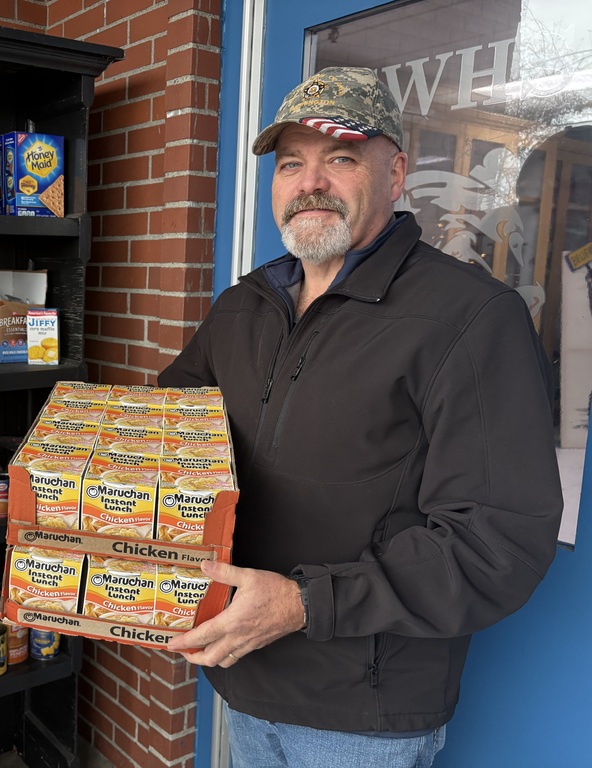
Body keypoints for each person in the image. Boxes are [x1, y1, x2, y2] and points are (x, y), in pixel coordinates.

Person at [161, 67, 562, 768]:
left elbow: (498, 540)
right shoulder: (243, 306)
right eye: (291, 163)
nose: (310, 182)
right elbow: (169, 434)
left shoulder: (468, 318)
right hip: (240, 674)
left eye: (340, 158)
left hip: (362, 713)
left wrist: (304, 604)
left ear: (396, 172)